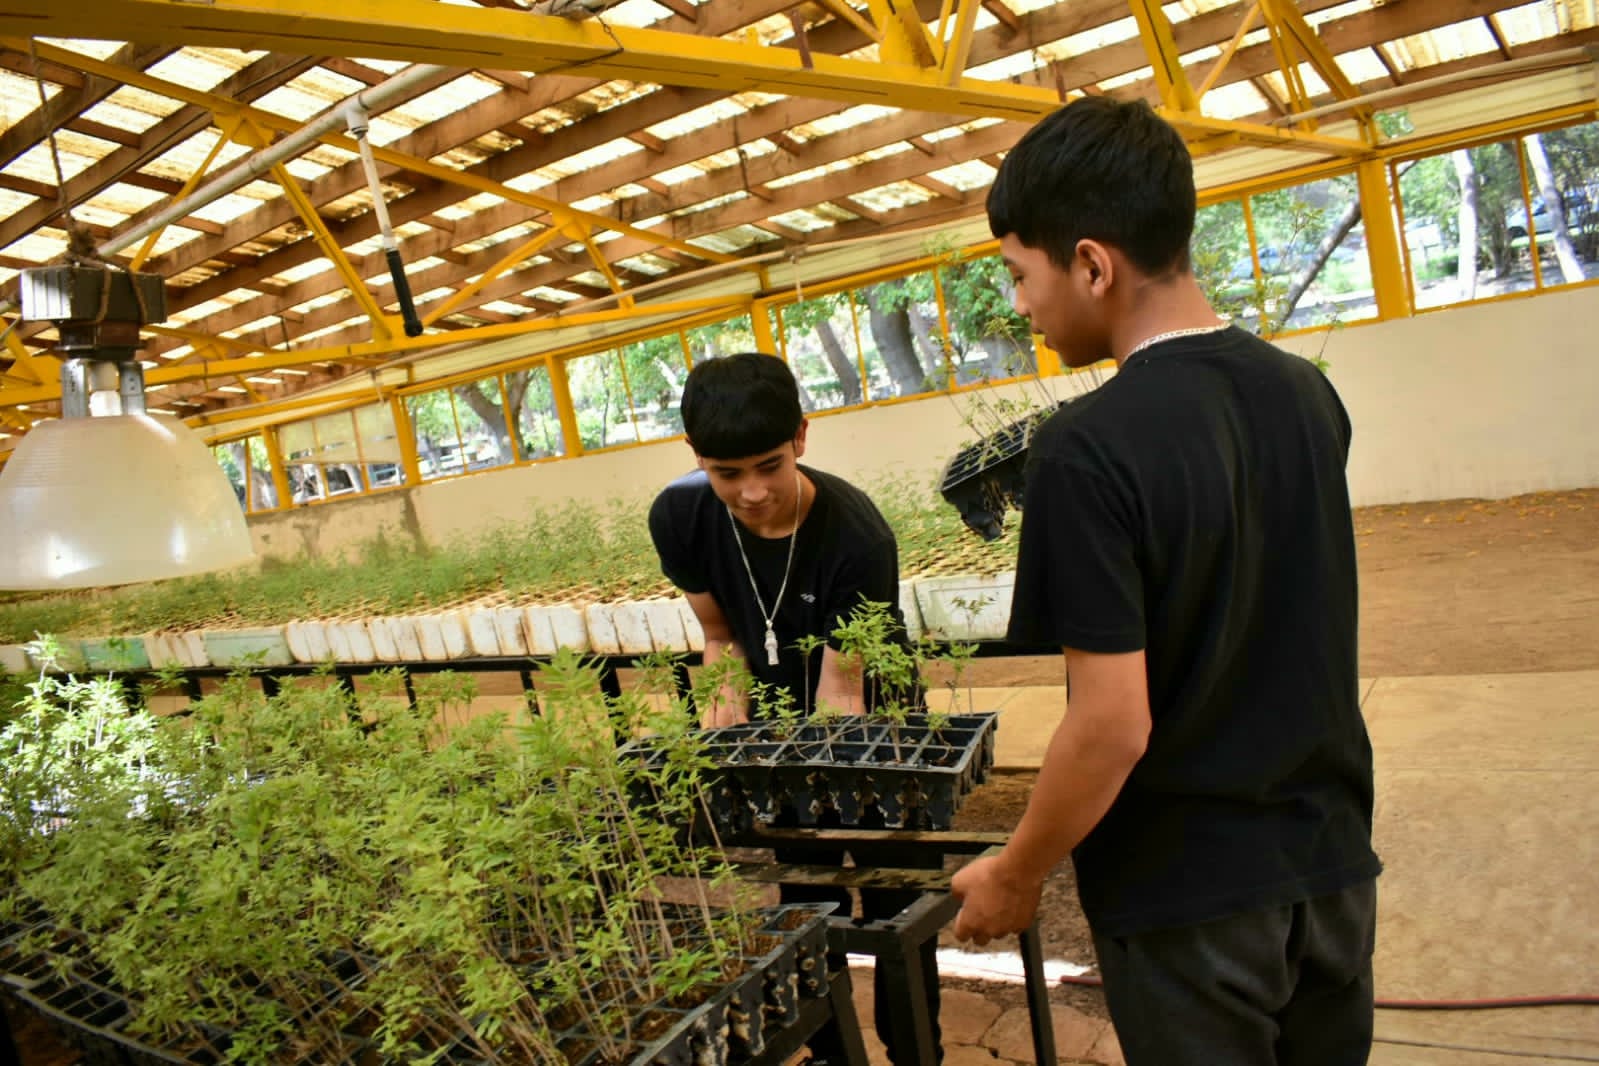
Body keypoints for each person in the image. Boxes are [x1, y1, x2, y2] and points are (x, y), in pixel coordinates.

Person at [949, 97, 1382, 1066]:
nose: (1019, 305)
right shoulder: (1305, 394)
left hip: (1190, 899)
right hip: (1331, 866)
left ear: (1091, 265)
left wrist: (1017, 871)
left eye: (1019, 274)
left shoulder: (1084, 449)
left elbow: (1112, 724)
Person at [648, 351, 941, 1065]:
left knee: (900, 903)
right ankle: (833, 1050)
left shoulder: (856, 534)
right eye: (727, 474)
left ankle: (914, 1049)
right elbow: (720, 637)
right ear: (696, 456)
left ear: (801, 437)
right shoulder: (680, 516)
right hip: (780, 715)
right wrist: (725, 716)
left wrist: (812, 775)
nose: (751, 493)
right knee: (807, 898)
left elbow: (841, 695)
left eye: (769, 466)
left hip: (877, 725)